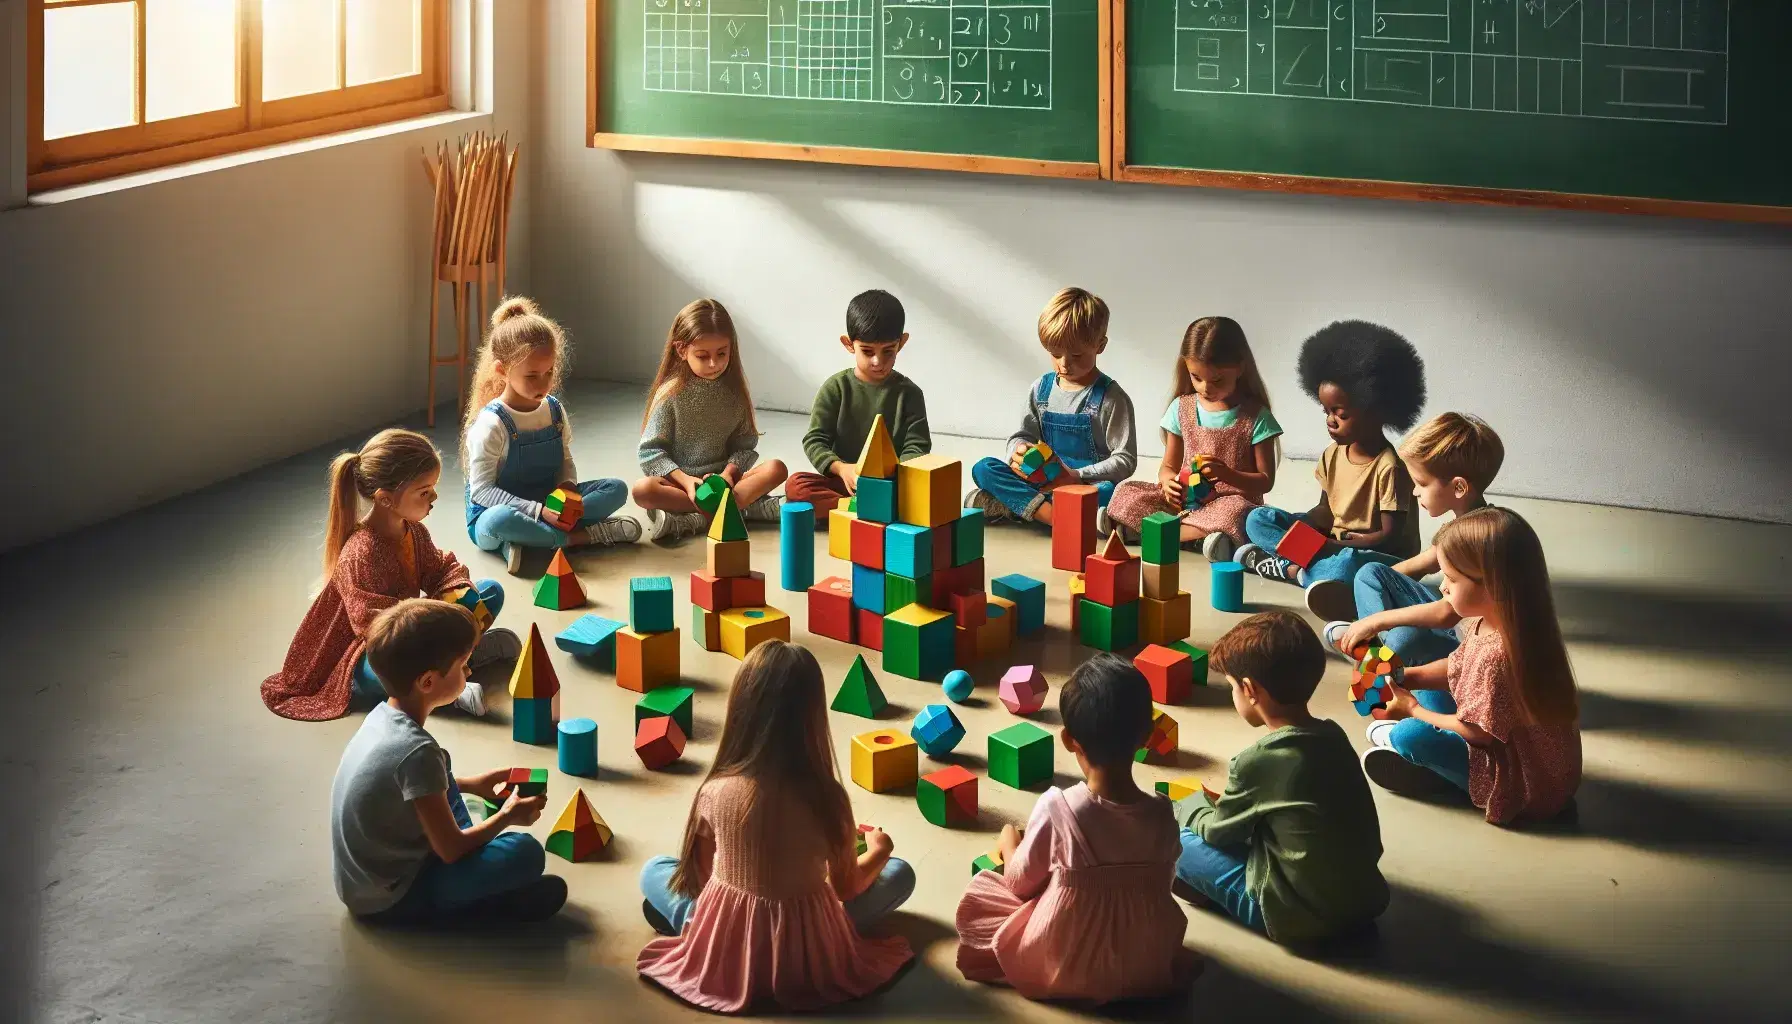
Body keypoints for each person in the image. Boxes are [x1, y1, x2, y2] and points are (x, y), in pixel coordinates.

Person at [637, 641, 914, 1012]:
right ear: (812, 717)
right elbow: (845, 887)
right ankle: (814, 939)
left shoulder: (715, 790)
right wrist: (879, 850)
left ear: (741, 709)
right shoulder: (828, 799)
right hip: (807, 952)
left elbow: (703, 880)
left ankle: (688, 926)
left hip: (729, 946)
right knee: (898, 873)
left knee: (654, 870)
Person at [955, 653, 1191, 1003]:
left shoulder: (1059, 807)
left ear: (1069, 740)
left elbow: (1019, 883)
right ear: (1147, 737)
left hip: (1067, 965)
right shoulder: (1161, 813)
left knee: (984, 897)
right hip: (1144, 963)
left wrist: (1010, 844)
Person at [331, 599, 565, 927]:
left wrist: (473, 784)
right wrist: (506, 816)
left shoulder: (383, 717)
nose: (469, 672)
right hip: (392, 899)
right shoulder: (416, 751)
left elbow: (409, 789)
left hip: (362, 883)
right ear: (427, 682)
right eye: (463, 665)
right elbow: (452, 850)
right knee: (526, 852)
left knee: (446, 770)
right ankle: (482, 909)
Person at [262, 429, 512, 721]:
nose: (434, 496)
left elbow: (441, 568)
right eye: (424, 491)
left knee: (490, 591)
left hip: (412, 628)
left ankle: (455, 662)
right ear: (385, 499)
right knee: (377, 672)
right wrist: (435, 617)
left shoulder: (413, 530)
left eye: (433, 487)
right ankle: (455, 685)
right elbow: (376, 628)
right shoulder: (359, 554)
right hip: (370, 649)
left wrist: (457, 592)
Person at [1175, 611, 1389, 945]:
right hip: (1363, 905)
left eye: (1232, 687)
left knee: (1175, 836)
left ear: (1249, 690)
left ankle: (1222, 896)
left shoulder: (1256, 761)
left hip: (1295, 919)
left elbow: (1217, 832)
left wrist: (1187, 806)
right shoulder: (1336, 737)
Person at [1362, 508, 1582, 826]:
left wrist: (1412, 710)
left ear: (1493, 586)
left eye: (1451, 579)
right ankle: (1438, 765)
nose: (1442, 588)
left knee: (1411, 735)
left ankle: (1439, 773)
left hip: (1526, 789)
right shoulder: (1499, 621)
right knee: (1421, 684)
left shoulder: (1500, 657)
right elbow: (1458, 666)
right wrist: (1405, 676)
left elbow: (1477, 734)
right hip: (1517, 751)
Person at [1235, 320, 1427, 622]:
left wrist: (1332, 546)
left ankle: (1297, 569)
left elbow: (1389, 538)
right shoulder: (1332, 455)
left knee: (1349, 563)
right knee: (1258, 518)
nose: (1330, 421)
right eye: (1326, 411)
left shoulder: (1389, 467)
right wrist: (1304, 532)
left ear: (1376, 411)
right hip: (1332, 541)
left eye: (1341, 413)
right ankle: (1301, 570)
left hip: (1378, 554)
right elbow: (1326, 511)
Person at [462, 296, 638, 575]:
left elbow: (565, 459)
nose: (544, 383)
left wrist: (568, 489)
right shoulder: (491, 424)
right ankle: (579, 538)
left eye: (550, 372)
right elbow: (482, 491)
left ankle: (528, 542)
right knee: (498, 521)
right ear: (501, 370)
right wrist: (538, 511)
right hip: (502, 512)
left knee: (616, 489)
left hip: (549, 504)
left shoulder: (554, 410)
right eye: (532, 375)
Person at [1327, 412, 1506, 669]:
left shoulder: (1478, 538)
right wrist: (1365, 595)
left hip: (1467, 645)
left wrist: (1377, 620)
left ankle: (1373, 659)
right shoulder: (1462, 525)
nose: (1414, 491)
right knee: (1370, 573)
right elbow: (1418, 565)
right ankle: (1374, 646)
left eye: (1421, 483)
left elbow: (1446, 614)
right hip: (1451, 623)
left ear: (1458, 488)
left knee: (1404, 636)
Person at [1104, 316, 1281, 561]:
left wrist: (1227, 474)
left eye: (1217, 380)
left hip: (1229, 500)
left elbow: (1265, 481)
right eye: (1196, 377)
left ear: (1240, 367)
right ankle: (1197, 538)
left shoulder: (1255, 417)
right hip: (1186, 503)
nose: (1206, 387)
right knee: (1126, 491)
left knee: (1238, 513)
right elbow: (1168, 467)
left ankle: (1153, 533)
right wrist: (1168, 483)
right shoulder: (1182, 408)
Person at [965, 287, 1138, 527]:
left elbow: (1125, 460)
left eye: (1076, 356)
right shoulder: (1041, 389)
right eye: (1055, 354)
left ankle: (1013, 506)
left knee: (1112, 491)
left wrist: (1076, 475)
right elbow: (1023, 435)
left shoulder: (1111, 398)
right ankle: (1056, 517)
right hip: (1040, 478)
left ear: (1100, 345)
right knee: (983, 468)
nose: (1064, 364)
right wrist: (1019, 450)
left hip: (1082, 484)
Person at [632, 299, 788, 543]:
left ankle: (694, 519)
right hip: (683, 486)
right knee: (643, 490)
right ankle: (743, 509)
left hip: (724, 484)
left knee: (776, 468)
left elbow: (744, 446)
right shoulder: (671, 394)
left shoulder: (734, 393)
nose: (714, 363)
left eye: (722, 353)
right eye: (703, 356)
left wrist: (727, 475)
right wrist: (686, 482)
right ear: (681, 350)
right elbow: (650, 453)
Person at [786, 289, 932, 517]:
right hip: (846, 483)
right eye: (867, 351)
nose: (878, 362)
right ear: (848, 344)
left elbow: (918, 447)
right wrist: (842, 469)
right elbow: (815, 440)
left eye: (888, 352)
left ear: (901, 343)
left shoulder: (910, 394)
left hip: (892, 485)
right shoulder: (835, 388)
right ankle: (864, 510)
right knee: (797, 486)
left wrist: (891, 477)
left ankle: (864, 511)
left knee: (929, 493)